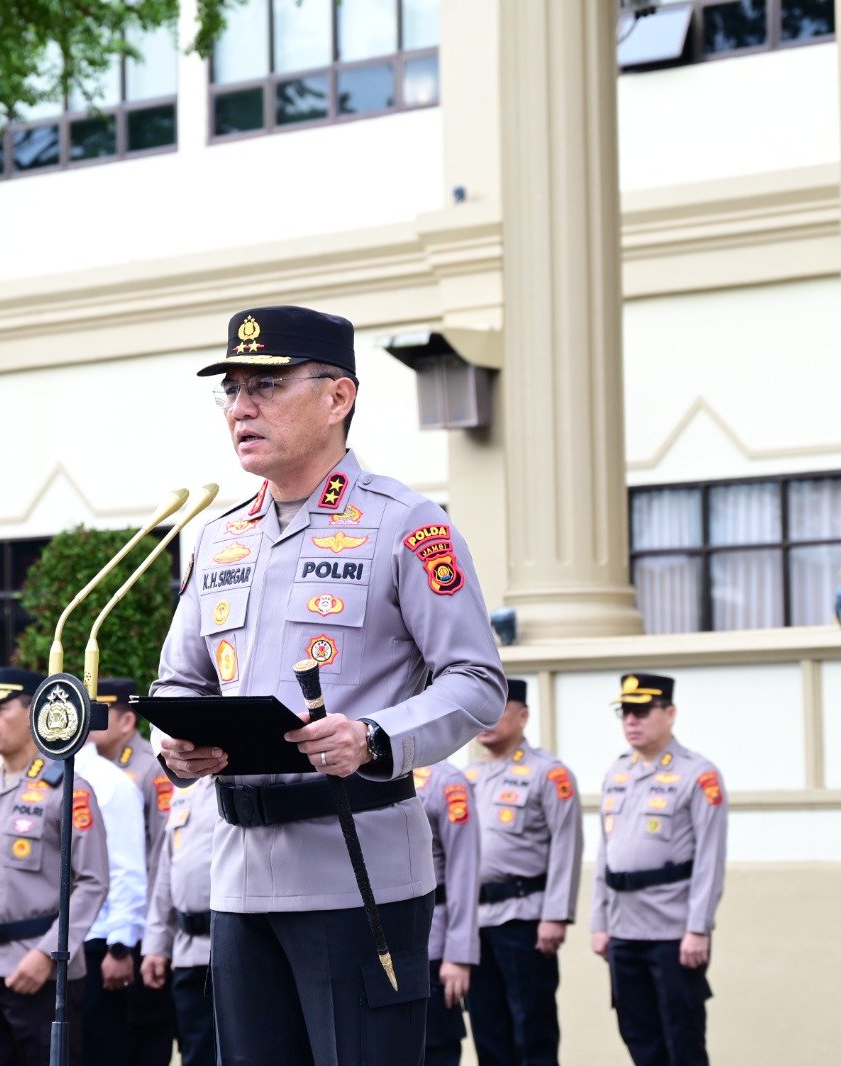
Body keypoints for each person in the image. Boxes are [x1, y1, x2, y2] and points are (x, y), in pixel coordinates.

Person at [154, 305, 505, 1065]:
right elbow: (180, 679)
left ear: (337, 397)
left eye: (265, 387)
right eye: (233, 390)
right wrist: (177, 746)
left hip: (357, 870)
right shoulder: (220, 538)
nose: (241, 407)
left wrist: (374, 737)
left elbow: (477, 680)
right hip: (240, 875)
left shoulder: (407, 524)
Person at [0, 668, 109, 1066]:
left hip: (39, 970)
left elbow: (92, 882)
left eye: (0, 708)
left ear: (35, 713)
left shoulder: (66, 788)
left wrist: (48, 954)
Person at [590, 673, 728, 1066]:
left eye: (641, 711)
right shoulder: (617, 774)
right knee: (637, 1034)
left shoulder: (698, 775)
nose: (631, 720)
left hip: (673, 932)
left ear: (670, 713)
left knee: (681, 1038)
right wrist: (599, 923)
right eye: (624, 712)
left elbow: (710, 859)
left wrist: (698, 929)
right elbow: (606, 852)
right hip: (623, 928)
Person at [464, 679, 583, 1066]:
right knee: (487, 1028)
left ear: (523, 715)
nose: (488, 720)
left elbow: (567, 846)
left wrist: (556, 915)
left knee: (532, 1027)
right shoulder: (469, 777)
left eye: (499, 708)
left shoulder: (548, 773)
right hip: (474, 922)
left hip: (525, 918)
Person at [86, 678, 175, 1066]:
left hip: (139, 923)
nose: (87, 726)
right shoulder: (95, 769)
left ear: (125, 723)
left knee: (141, 1032)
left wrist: (151, 930)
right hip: (104, 921)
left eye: (99, 717)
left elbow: (160, 855)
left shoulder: (150, 771)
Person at [71, 712, 147, 1066]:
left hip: (95, 940)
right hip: (46, 942)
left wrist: (120, 946)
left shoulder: (108, 782)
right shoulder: (39, 780)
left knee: (96, 1049)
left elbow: (126, 867)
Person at [139, 773, 219, 1066]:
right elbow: (168, 866)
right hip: (188, 950)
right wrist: (157, 945)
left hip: (231, 944)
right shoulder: (186, 785)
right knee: (195, 1053)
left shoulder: (243, 777)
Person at [412, 761, 479, 1066]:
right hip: (379, 944)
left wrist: (459, 954)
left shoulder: (446, 781)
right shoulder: (358, 771)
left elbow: (464, 873)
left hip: (433, 944)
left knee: (436, 1047)